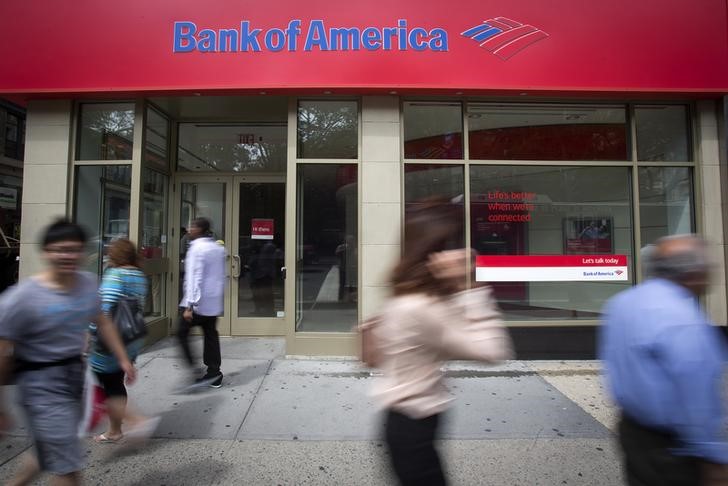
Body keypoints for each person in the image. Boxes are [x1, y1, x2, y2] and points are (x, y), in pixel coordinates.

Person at [372, 202, 514, 485]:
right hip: (412, 425)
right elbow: (492, 350)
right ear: (431, 252)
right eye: (452, 244)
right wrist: (471, 285)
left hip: (410, 422)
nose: (462, 252)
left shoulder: (412, 296)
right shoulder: (420, 307)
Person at [0, 220, 136, 486]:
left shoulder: (86, 284)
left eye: (74, 250)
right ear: (46, 252)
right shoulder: (21, 297)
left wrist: (122, 358)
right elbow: (2, 352)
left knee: (48, 451)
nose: (67, 256)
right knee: (68, 467)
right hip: (41, 384)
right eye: (60, 249)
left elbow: (103, 320)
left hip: (75, 377)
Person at [600, 234, 728, 485]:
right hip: (673, 447)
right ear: (693, 273)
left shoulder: (623, 303)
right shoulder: (684, 320)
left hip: (632, 431)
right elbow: (699, 397)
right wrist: (715, 455)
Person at [89, 238, 158, 443]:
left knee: (106, 384)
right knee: (114, 382)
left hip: (110, 340)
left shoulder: (115, 274)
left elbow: (104, 309)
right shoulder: (139, 275)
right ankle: (115, 428)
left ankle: (126, 425)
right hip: (131, 337)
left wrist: (92, 331)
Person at [178, 217, 226, 388]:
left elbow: (194, 277)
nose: (189, 229)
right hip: (212, 303)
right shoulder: (218, 248)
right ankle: (214, 373)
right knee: (211, 335)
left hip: (197, 303)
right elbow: (221, 276)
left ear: (200, 229)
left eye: (193, 226)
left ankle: (194, 370)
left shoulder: (197, 249)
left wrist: (190, 305)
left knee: (181, 334)